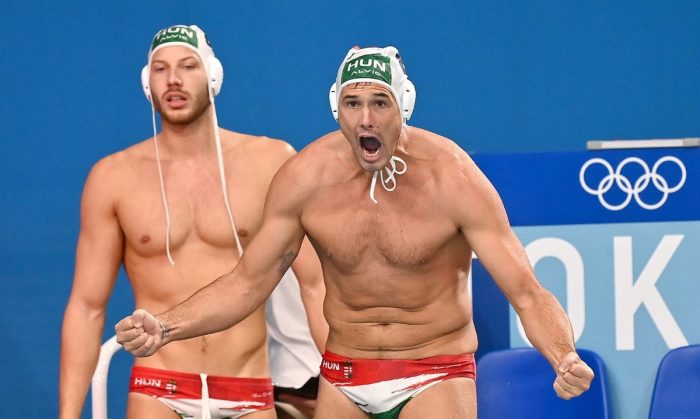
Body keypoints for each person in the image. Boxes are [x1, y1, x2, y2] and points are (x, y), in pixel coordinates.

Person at [114, 45, 595, 419]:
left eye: (380, 103)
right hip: (343, 375)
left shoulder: (452, 177)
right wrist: (166, 326)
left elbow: (527, 293)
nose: (366, 119)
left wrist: (563, 356)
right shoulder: (305, 178)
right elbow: (246, 283)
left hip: (434, 371)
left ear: (404, 105)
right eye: (353, 103)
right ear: (336, 108)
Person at [59, 24, 325, 419]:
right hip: (158, 387)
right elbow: (86, 307)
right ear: (147, 83)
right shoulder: (113, 178)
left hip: (247, 386)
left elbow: (316, 286)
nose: (174, 80)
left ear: (213, 75)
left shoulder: (270, 162)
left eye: (187, 66)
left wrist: (349, 387)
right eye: (161, 69)